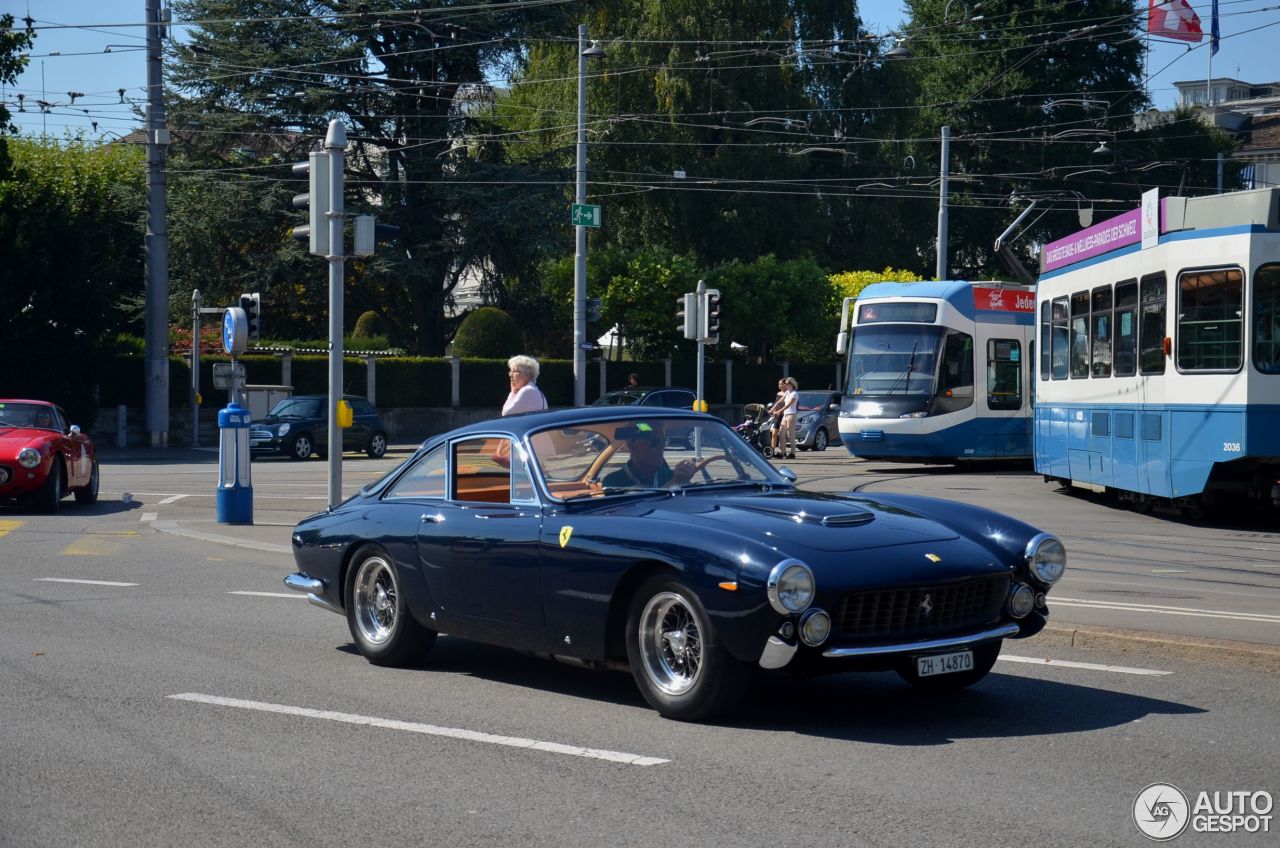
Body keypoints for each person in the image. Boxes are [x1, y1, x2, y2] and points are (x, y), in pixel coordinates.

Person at [602, 422, 696, 489]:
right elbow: (636, 506)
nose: (661, 447)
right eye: (654, 442)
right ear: (632, 445)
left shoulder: (671, 475)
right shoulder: (612, 481)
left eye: (664, 441)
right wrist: (675, 482)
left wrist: (685, 480)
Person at [777, 377, 799, 459]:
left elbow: (788, 405)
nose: (785, 385)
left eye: (786, 384)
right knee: (781, 433)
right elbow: (779, 401)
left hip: (792, 414)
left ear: (791, 384)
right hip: (785, 415)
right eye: (785, 383)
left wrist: (778, 411)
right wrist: (771, 410)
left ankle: (792, 453)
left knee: (790, 434)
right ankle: (783, 452)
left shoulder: (794, 394)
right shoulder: (787, 393)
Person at [767, 378, 786, 454]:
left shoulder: (788, 394)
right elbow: (776, 403)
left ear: (785, 384)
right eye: (779, 384)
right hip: (777, 416)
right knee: (774, 434)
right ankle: (772, 450)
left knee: (782, 434)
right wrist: (773, 410)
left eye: (781, 384)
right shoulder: (778, 394)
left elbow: (787, 405)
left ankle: (783, 451)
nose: (779, 385)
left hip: (784, 416)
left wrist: (781, 411)